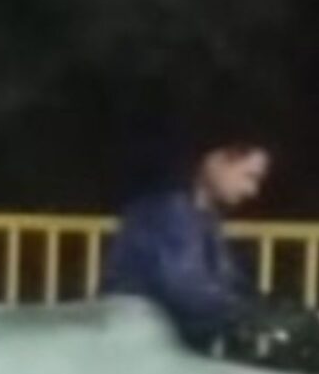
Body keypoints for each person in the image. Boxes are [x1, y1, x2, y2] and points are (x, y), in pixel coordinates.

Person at [103, 131, 271, 351]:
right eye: (249, 176)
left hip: (156, 341)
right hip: (139, 345)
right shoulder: (168, 211)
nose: (252, 191)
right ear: (216, 160)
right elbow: (187, 293)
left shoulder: (202, 216)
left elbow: (228, 284)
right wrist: (253, 314)